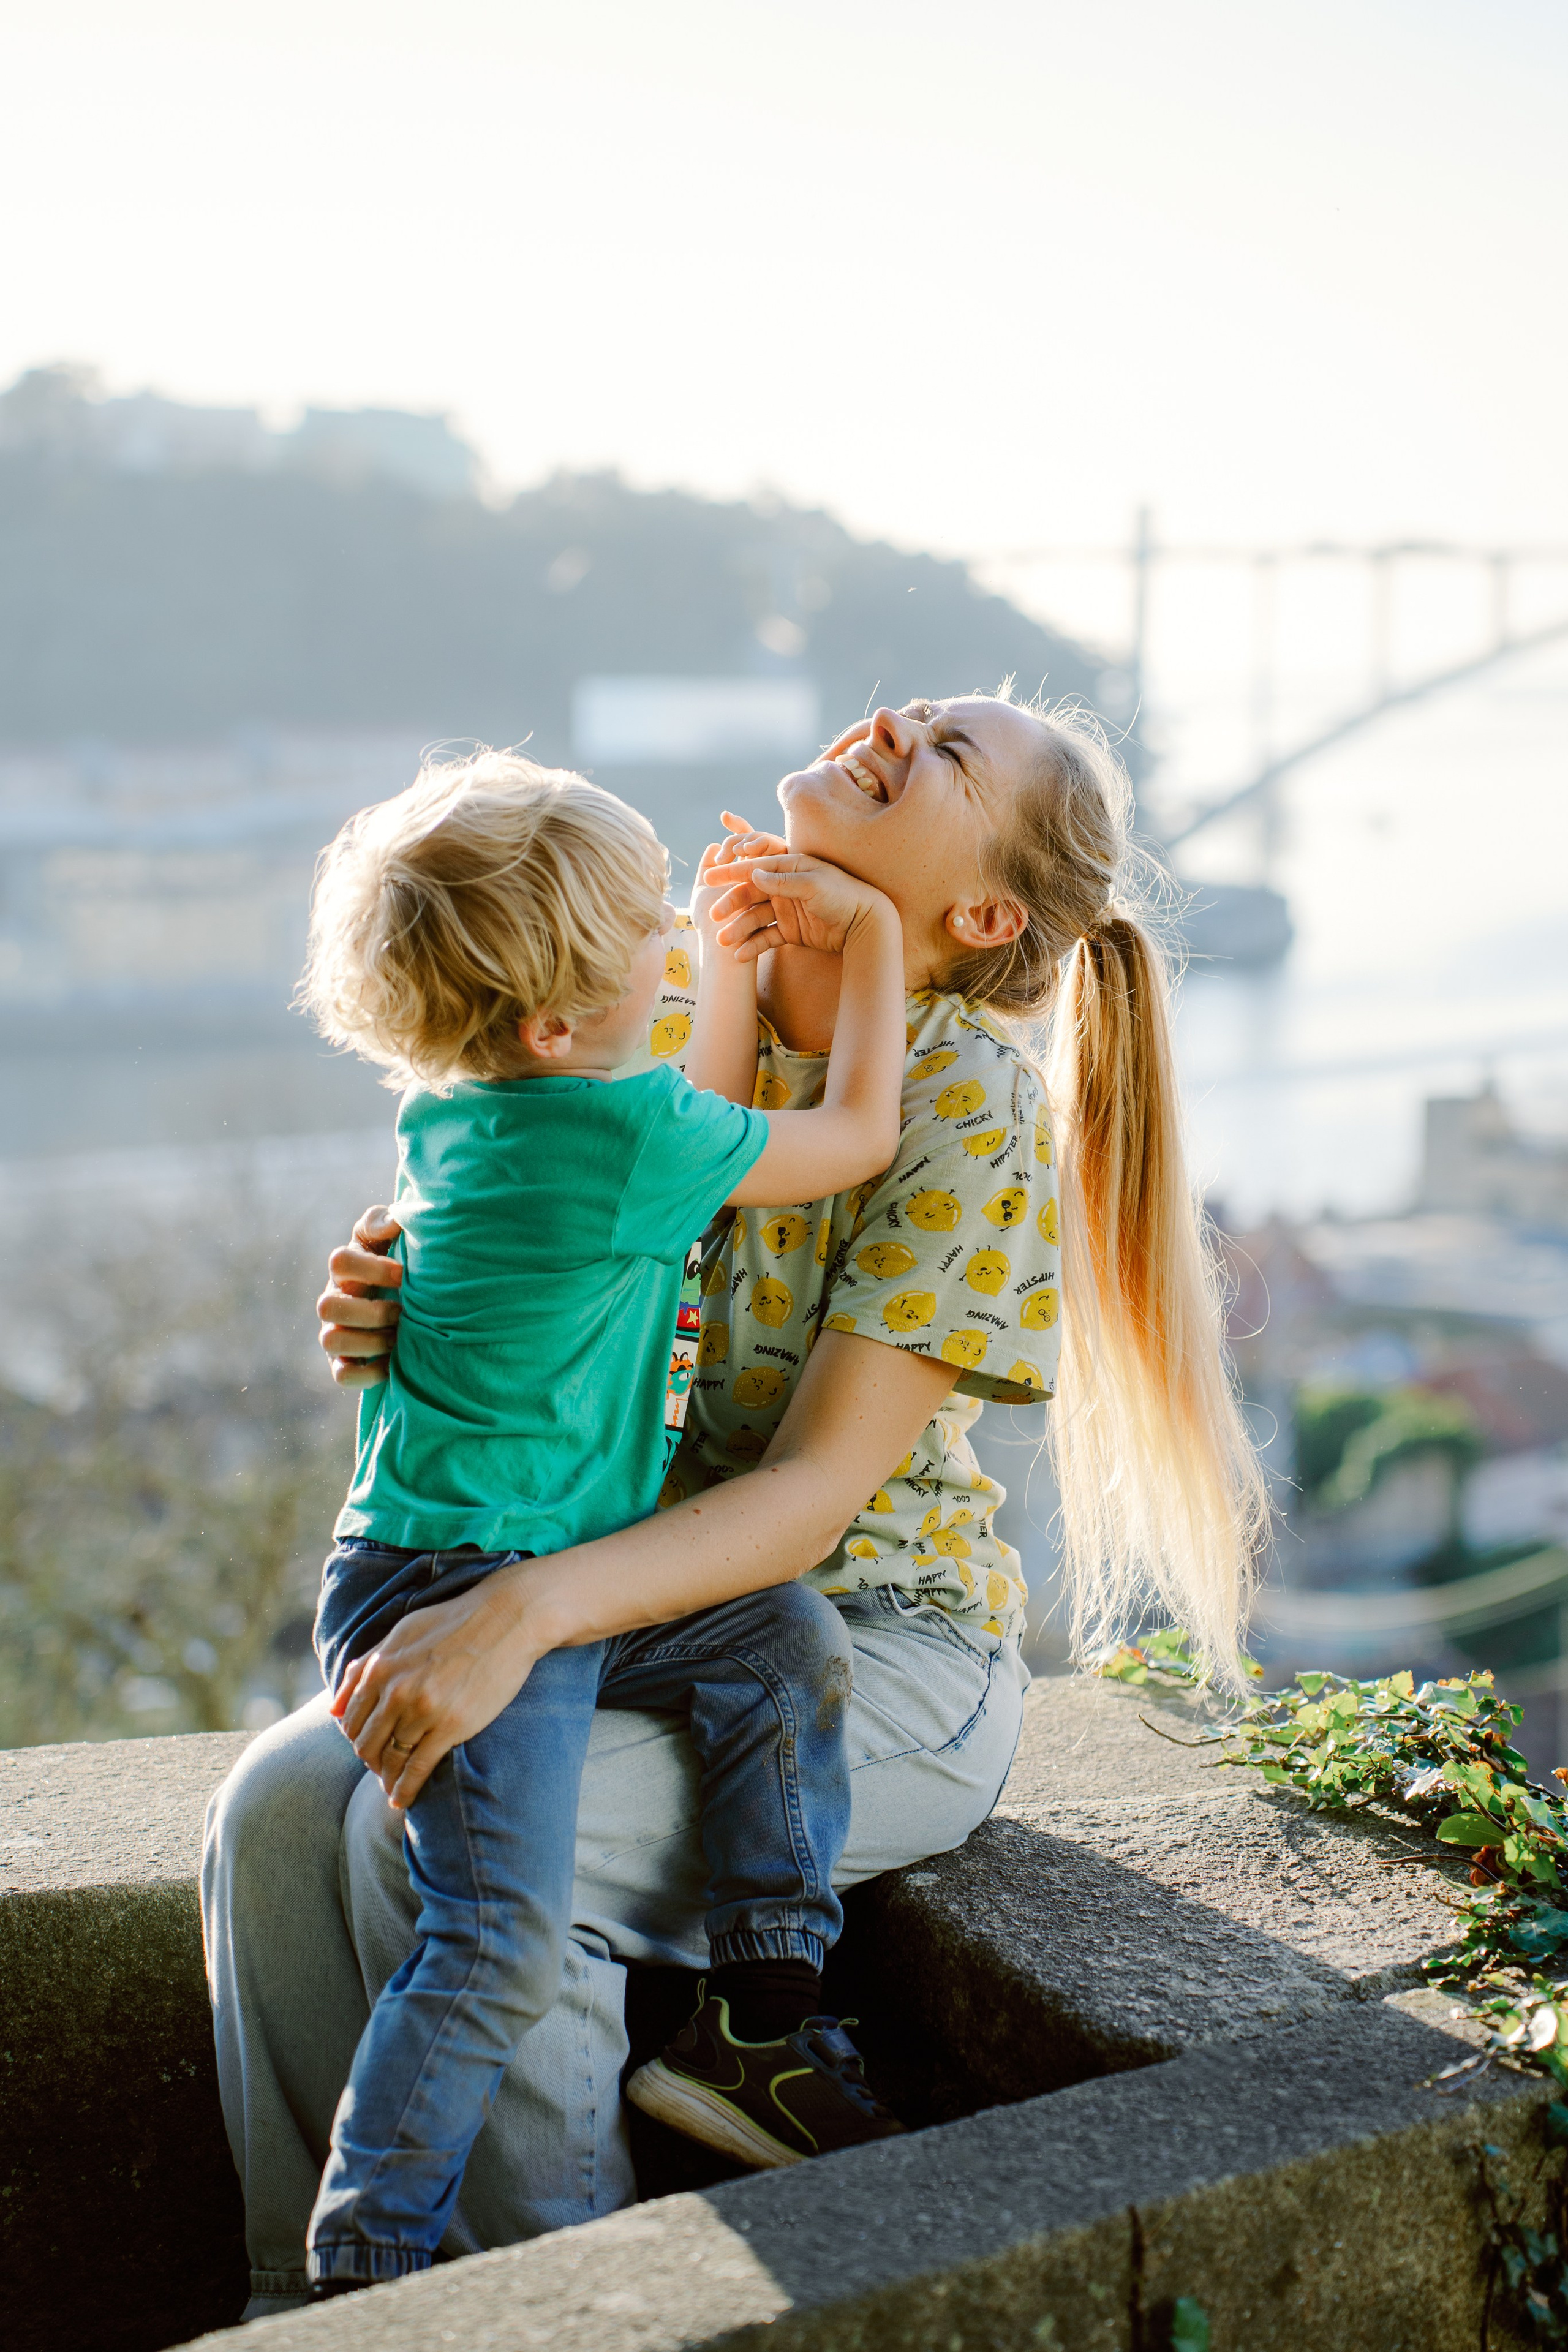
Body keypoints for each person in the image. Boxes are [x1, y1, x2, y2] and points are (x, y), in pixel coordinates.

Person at [202, 691, 1267, 2322]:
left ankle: (556, 2314)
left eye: (958, 754)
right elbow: (527, 1258)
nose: (904, 721)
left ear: (981, 915)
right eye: (918, 704)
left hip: (864, 1659)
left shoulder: (963, 1110)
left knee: (481, 1860)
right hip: (622, 1610)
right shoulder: (675, 983)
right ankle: (321, 2312)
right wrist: (391, 1300)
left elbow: (807, 1503)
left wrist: (520, 1612)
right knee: (277, 1814)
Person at [292, 752, 910, 2289]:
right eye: (651, 933)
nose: (675, 948)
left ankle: (762, 2003)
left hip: (457, 1562)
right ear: (553, 1024)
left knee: (775, 1634)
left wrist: (720, 962)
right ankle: (364, 2259)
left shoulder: (474, 1109)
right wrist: (877, 952)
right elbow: (851, 1140)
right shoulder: (625, 1139)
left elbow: (679, 1104)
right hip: (472, 1587)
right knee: (496, 1938)